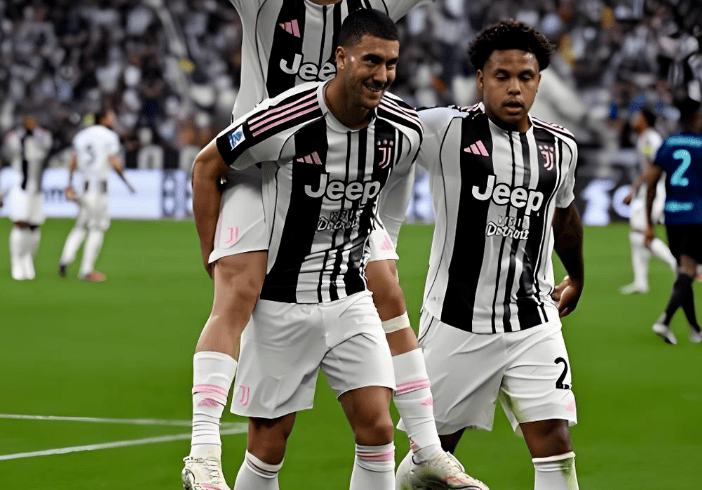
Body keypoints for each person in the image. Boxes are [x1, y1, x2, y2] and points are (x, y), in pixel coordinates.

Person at [183, 0, 482, 489]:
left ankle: (428, 449)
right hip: (269, 226)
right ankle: (203, 452)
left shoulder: (401, 123)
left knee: (378, 415)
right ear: (341, 58)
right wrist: (210, 252)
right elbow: (206, 165)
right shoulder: (279, 98)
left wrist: (385, 236)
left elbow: (401, 173)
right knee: (265, 429)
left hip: (344, 276)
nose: (383, 75)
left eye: (391, 64)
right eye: (372, 62)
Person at [394, 21, 584, 490]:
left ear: (538, 81)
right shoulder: (444, 129)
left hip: (534, 321)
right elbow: (380, 132)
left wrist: (577, 276)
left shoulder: (560, 147)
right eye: (502, 76)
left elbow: (564, 215)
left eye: (526, 76)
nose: (514, 87)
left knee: (556, 445)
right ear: (481, 79)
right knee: (431, 456)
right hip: (456, 322)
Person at [644, 96, 702, 345]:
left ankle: (695, 329)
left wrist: (649, 222)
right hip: (696, 215)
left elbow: (651, 184)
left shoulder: (668, 143)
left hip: (672, 216)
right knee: (688, 270)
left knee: (683, 272)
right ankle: (665, 320)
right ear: (695, 117)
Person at [58, 110, 135, 282]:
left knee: (81, 226)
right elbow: (114, 162)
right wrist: (126, 182)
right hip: (98, 190)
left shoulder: (81, 136)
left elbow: (73, 160)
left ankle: (65, 259)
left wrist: (69, 183)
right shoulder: (109, 136)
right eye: (110, 117)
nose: (113, 120)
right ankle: (86, 270)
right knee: (97, 228)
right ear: (103, 119)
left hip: (83, 188)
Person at [620, 106, 677, 294]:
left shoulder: (651, 138)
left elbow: (653, 167)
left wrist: (634, 188)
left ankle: (677, 264)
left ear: (645, 119)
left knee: (640, 233)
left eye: (638, 116)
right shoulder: (644, 138)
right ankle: (640, 283)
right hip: (648, 191)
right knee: (636, 235)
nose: (634, 119)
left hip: (655, 191)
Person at [4, 115, 52, 280]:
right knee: (20, 223)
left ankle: (28, 259)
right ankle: (16, 261)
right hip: (19, 185)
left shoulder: (42, 136)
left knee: (34, 225)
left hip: (37, 185)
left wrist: (35, 136)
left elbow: (46, 147)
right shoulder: (15, 137)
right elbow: (11, 153)